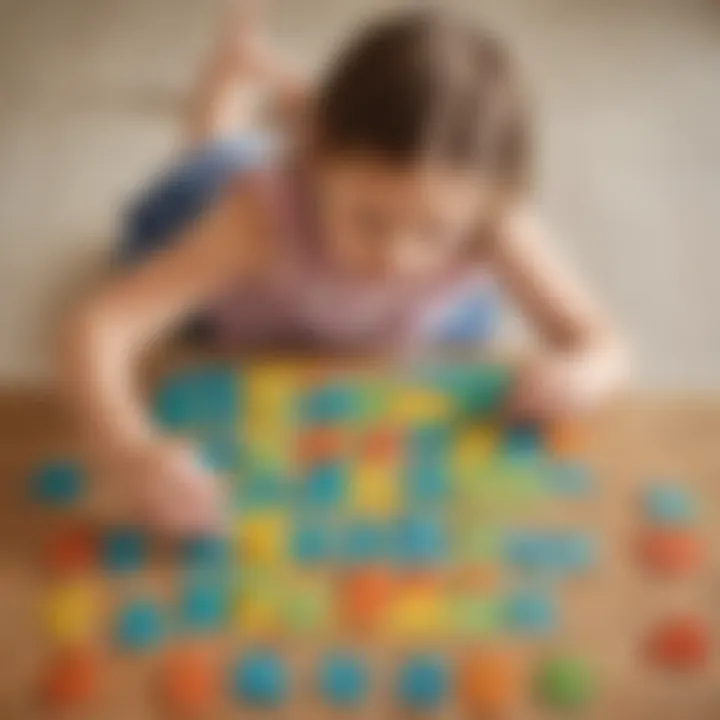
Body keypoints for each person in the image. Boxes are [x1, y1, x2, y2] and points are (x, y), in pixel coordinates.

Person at [61, 8, 629, 534]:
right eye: (370, 220)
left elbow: (601, 339)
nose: (397, 257)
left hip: (380, 332)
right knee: (213, 155)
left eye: (434, 232)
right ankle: (223, 91)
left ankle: (268, 105)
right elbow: (99, 327)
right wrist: (127, 448)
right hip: (240, 281)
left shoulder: (491, 219)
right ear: (315, 159)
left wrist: (586, 371)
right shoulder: (255, 220)